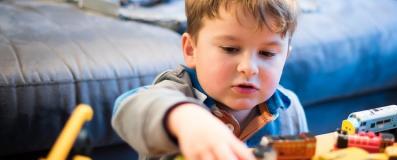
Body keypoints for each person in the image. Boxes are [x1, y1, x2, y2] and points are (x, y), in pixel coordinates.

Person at [111, 0, 308, 159]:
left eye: (267, 53)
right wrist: (186, 118)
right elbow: (127, 108)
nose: (249, 68)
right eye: (230, 49)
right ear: (191, 50)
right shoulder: (176, 91)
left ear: (285, 57)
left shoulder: (290, 110)